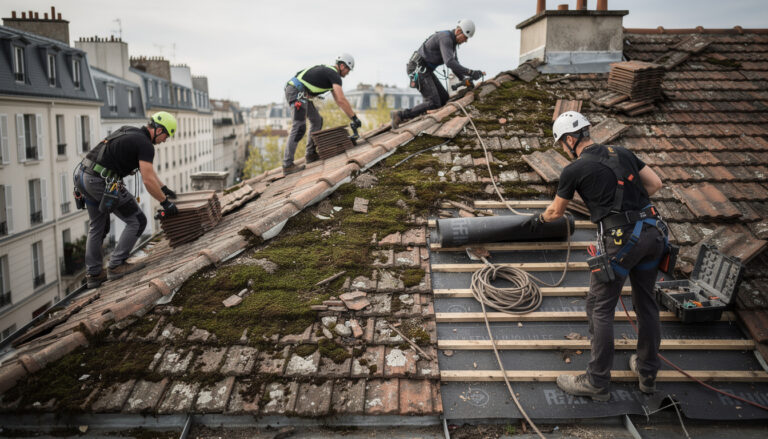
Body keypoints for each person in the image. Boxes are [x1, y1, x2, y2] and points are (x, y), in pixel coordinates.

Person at [526, 111, 666, 401]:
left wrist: (539, 221)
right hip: (653, 234)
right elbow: (655, 185)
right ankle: (647, 371)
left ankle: (597, 381)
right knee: (646, 303)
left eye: (561, 143)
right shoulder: (623, 152)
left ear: (569, 139)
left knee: (600, 307)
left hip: (621, 241)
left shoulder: (575, 169)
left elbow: (555, 212)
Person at [76, 111, 180, 288]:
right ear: (159, 130)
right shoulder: (146, 145)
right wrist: (165, 203)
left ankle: (94, 274)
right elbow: (147, 179)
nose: (165, 141)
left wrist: (163, 188)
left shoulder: (131, 131)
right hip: (100, 180)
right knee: (138, 220)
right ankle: (116, 265)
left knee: (98, 225)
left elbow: (148, 171)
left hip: (82, 176)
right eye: (166, 136)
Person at [390, 19, 483, 129]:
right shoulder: (445, 38)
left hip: (425, 70)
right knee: (434, 102)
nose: (466, 41)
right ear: (458, 31)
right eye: (466, 37)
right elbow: (449, 62)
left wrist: (466, 81)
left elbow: (455, 65)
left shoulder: (452, 43)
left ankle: (421, 113)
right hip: (417, 69)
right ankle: (400, 115)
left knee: (444, 100)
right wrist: (470, 72)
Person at [283, 54, 361, 174]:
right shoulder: (334, 75)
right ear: (341, 66)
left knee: (317, 120)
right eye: (347, 70)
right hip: (297, 91)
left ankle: (310, 154)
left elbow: (337, 100)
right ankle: (287, 164)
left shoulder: (330, 74)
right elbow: (341, 99)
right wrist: (354, 118)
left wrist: (352, 117)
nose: (348, 73)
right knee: (299, 126)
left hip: (302, 92)